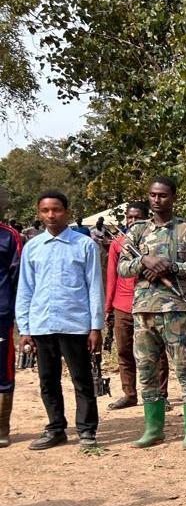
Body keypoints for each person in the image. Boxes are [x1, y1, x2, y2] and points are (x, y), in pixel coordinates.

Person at [118, 176, 186, 450]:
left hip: (176, 309)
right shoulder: (137, 230)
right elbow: (123, 268)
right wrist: (144, 262)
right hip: (144, 310)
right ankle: (153, 429)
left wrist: (171, 266)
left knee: (184, 367)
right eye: (153, 195)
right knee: (146, 369)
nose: (157, 200)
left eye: (163, 195)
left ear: (173, 197)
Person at [15, 192, 103, 449]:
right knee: (47, 380)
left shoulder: (84, 245)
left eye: (56, 210)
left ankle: (87, 430)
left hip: (75, 323)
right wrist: (25, 328)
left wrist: (95, 327)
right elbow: (25, 289)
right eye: (45, 211)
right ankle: (56, 428)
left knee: (81, 379)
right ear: (39, 213)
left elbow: (94, 287)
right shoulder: (33, 247)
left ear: (67, 212)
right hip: (42, 323)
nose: (51, 215)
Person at [104, 202, 170, 410]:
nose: (132, 221)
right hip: (122, 304)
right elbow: (112, 276)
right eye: (129, 217)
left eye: (137, 217)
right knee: (124, 350)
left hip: (149, 303)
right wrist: (108, 307)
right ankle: (129, 394)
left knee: (156, 351)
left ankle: (161, 394)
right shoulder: (118, 243)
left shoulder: (155, 240)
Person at [0, 209, 21, 447]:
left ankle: (1, 428)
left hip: (1, 314)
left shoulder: (9, 235)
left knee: (2, 369)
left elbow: (18, 277)